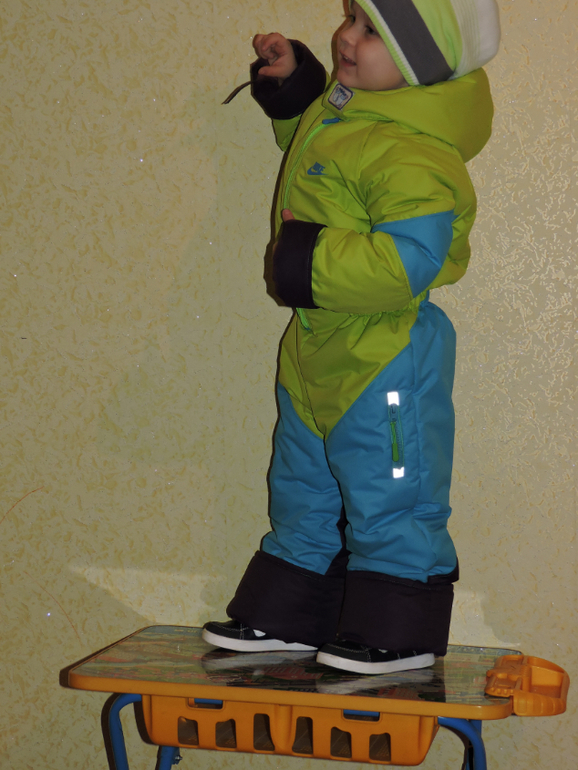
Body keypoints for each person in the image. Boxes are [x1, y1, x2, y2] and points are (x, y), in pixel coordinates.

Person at [203, 0, 501, 674]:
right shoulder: (348, 114)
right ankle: (292, 613)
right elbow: (318, 156)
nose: (346, 35)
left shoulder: (414, 150)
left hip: (384, 357)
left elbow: (409, 260)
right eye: (351, 17)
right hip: (318, 347)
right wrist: (295, 90)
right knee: (301, 488)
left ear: (419, 64)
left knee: (391, 495)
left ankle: (400, 627)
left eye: (371, 30)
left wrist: (305, 261)